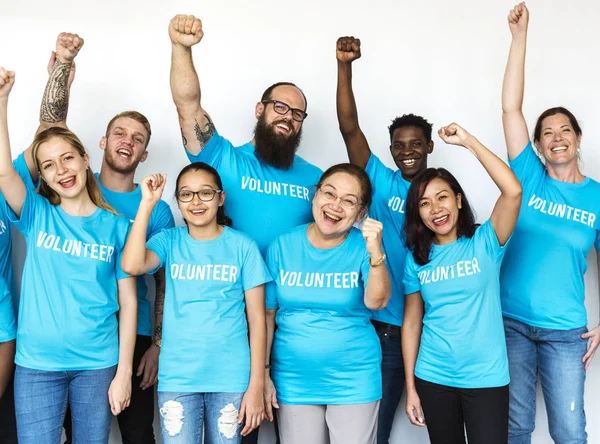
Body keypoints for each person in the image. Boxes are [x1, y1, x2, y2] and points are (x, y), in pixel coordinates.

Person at [169, 14, 322, 442]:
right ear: (260, 109)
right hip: (223, 321)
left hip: (287, 320)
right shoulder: (225, 159)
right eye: (280, 107)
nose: (288, 118)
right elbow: (188, 106)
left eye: (298, 114)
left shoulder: (315, 179)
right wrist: (182, 48)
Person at [34, 32, 175, 444]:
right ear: (101, 142)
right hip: (77, 334)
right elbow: (48, 134)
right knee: (71, 431)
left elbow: (162, 281)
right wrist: (61, 68)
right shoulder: (72, 184)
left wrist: (158, 346)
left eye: (137, 139)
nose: (126, 142)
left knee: (137, 434)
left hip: (139, 333)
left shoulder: (158, 208)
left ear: (145, 154)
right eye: (119, 133)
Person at [0, 67, 137, 444]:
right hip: (36, 364)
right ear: (41, 177)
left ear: (85, 158)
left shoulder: (118, 227)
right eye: (48, 165)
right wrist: (2, 101)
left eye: (67, 158)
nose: (61, 170)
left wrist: (124, 372)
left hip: (97, 363)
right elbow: (3, 173)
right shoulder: (37, 214)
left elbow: (128, 301)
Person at [500, 3, 600, 443]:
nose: (556, 138)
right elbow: (510, 109)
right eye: (547, 134)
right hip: (510, 322)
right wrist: (519, 39)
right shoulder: (528, 176)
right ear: (538, 146)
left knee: (568, 431)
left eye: (565, 131)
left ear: (578, 138)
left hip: (565, 331)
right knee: (517, 427)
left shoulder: (597, 196)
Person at [121, 163, 270, 443]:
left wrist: (256, 385)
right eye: (186, 195)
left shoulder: (243, 246)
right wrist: (147, 204)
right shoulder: (168, 241)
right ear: (177, 201)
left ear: (221, 198)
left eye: (205, 193)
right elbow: (131, 264)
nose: (196, 202)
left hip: (232, 379)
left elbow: (257, 321)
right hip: (178, 378)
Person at [336, 35, 435, 444]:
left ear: (430, 147)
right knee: (368, 433)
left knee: (436, 425)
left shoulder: (442, 196)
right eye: (398, 145)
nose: (406, 151)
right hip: (379, 328)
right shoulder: (378, 178)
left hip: (429, 330)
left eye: (415, 144)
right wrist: (345, 66)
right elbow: (348, 127)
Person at [402, 123, 522, 444]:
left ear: (457, 200)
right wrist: (412, 388)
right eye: (424, 203)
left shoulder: (485, 242)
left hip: (486, 378)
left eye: (442, 197)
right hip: (434, 376)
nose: (435, 209)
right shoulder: (417, 259)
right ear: (418, 213)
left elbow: (513, 190)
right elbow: (412, 324)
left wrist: (468, 141)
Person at [264, 163, 391, 444]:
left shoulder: (365, 247)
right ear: (315, 195)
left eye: (348, 201)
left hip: (354, 379)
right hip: (293, 379)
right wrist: (263, 372)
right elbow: (266, 317)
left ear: (361, 213)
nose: (335, 205)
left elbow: (377, 301)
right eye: (329, 194)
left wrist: (376, 253)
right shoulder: (282, 245)